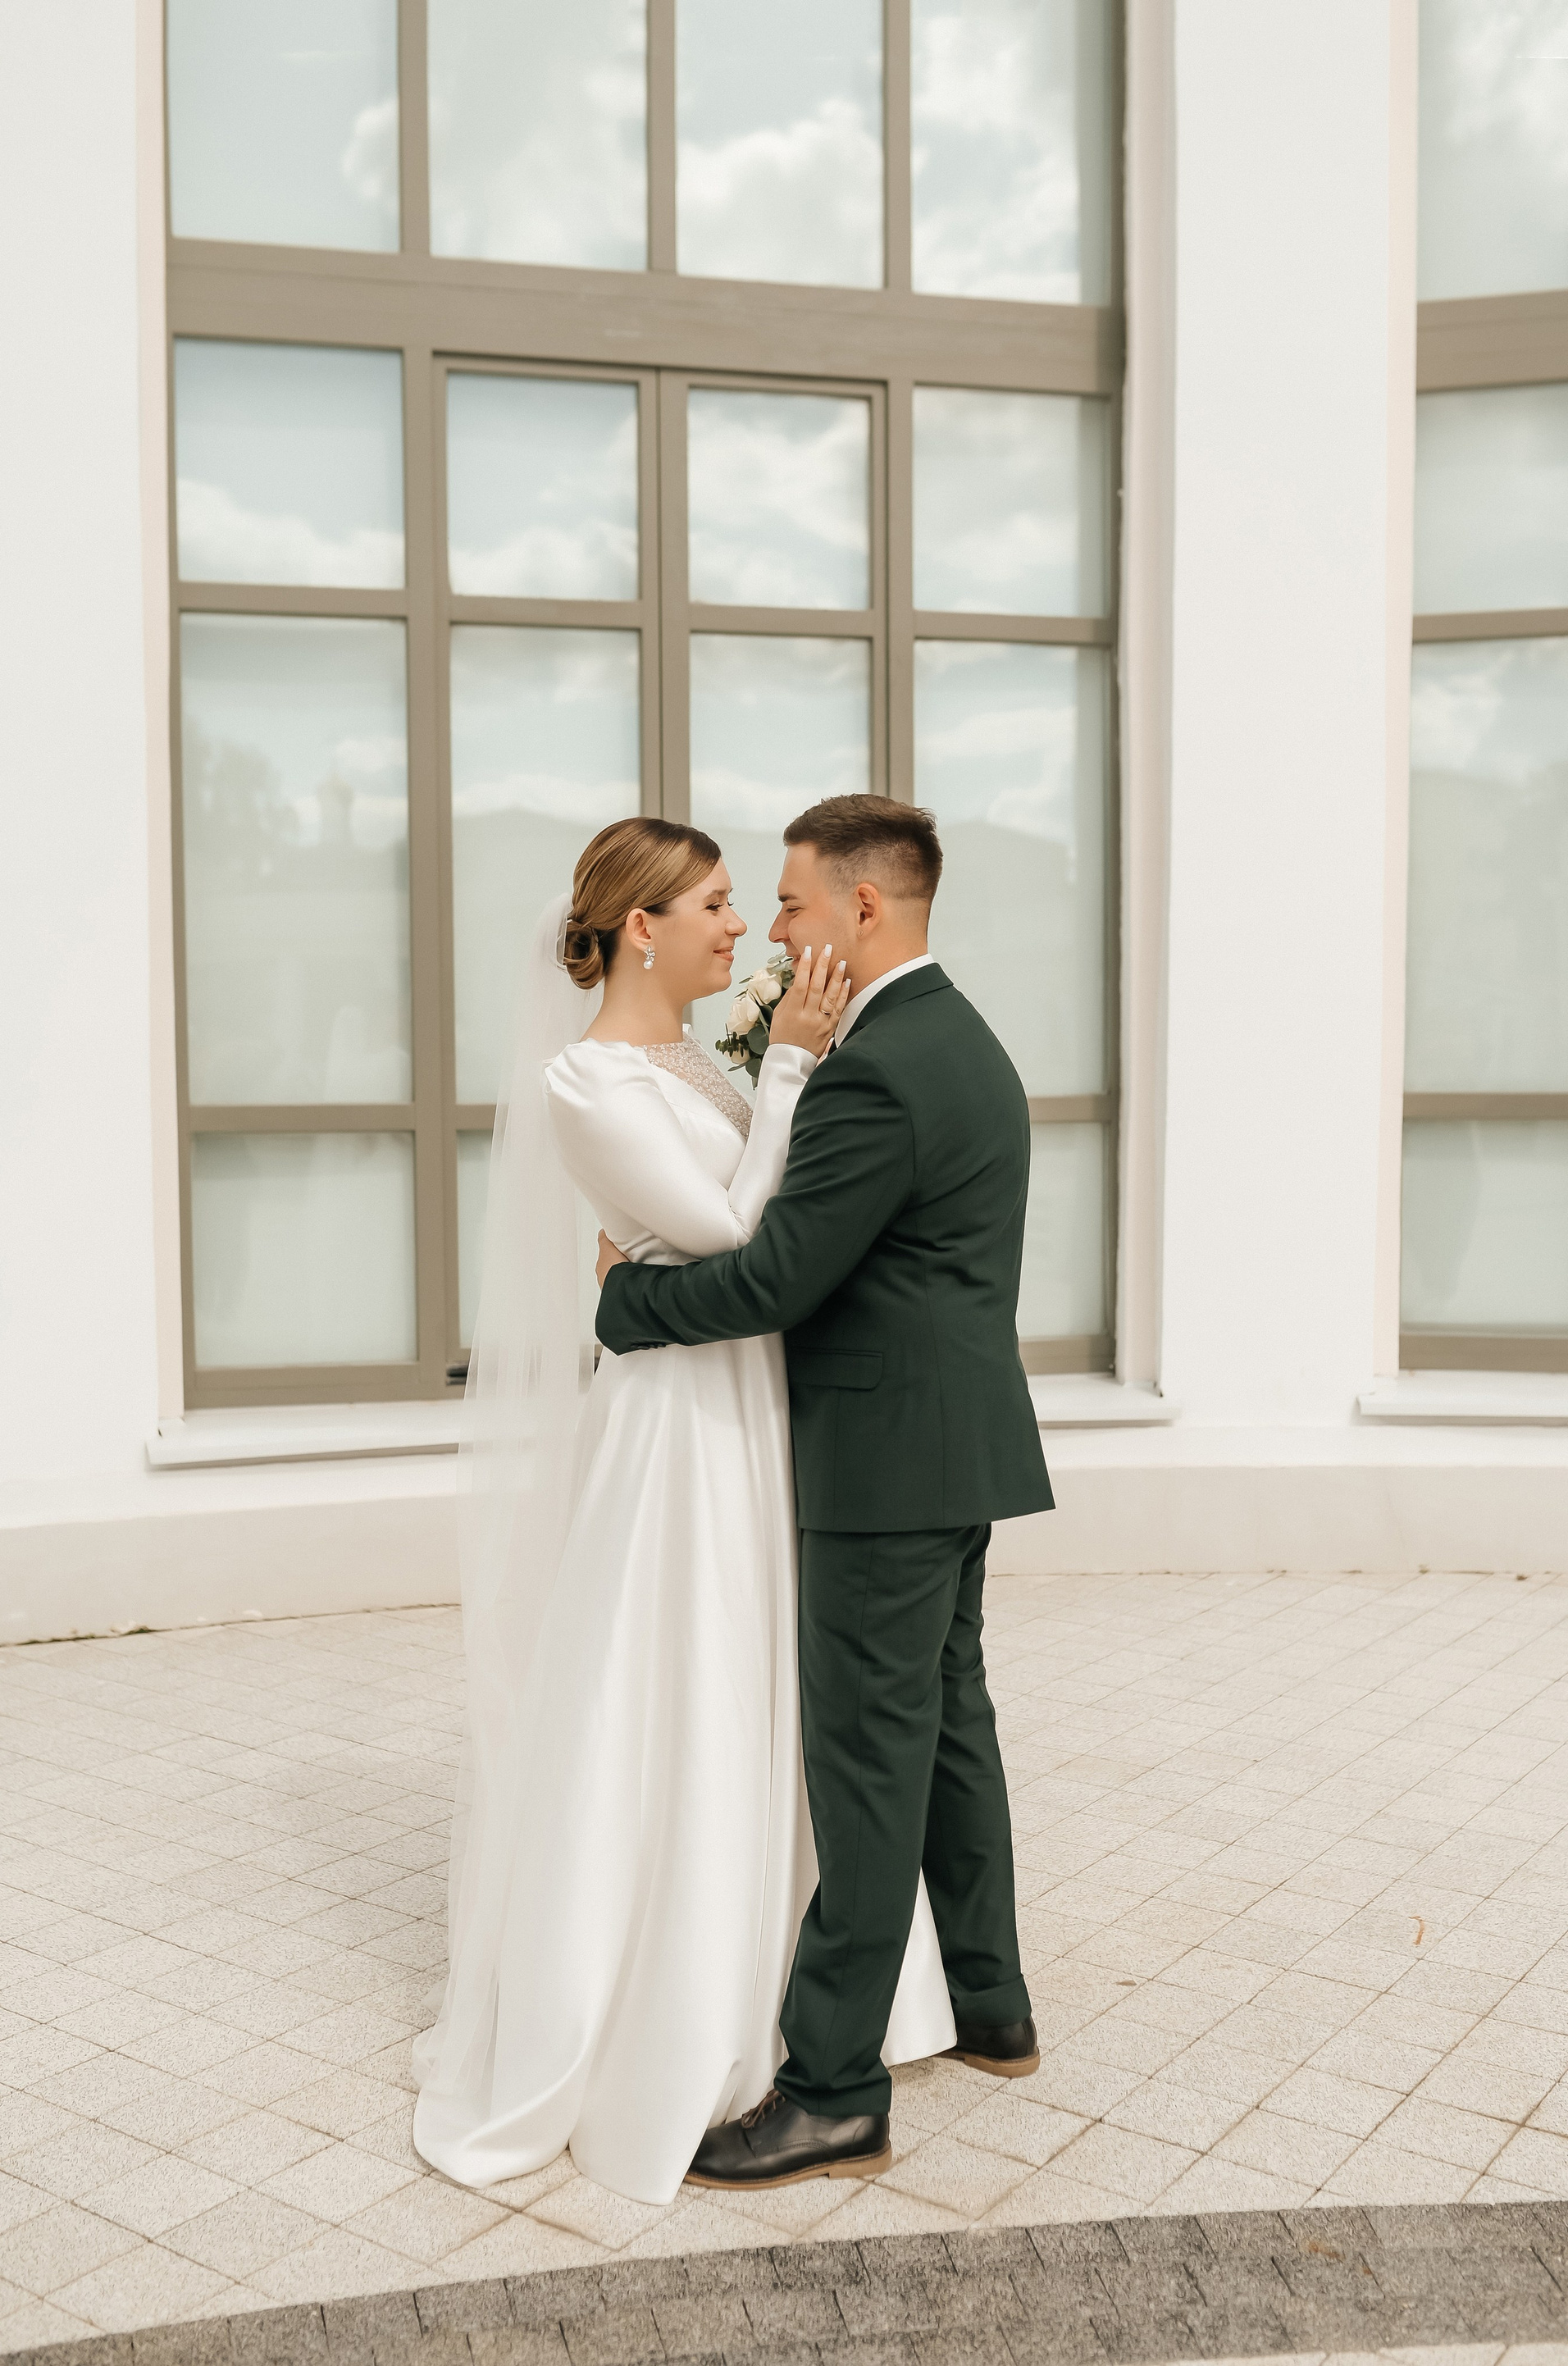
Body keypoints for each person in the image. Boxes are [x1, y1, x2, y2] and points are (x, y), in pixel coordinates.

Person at [411, 815, 958, 2207]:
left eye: (743, 901)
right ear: (641, 927)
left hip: (752, 1404)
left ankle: (786, 1984)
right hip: (676, 1431)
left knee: (771, 1678)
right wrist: (790, 1071)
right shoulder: (587, 1081)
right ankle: (660, 2001)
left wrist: (769, 1083)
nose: (742, 928)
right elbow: (735, 1236)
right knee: (686, 1678)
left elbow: (767, 1219)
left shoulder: (703, 1064)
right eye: (716, 903)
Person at [595, 793, 1055, 2190]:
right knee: (949, 1727)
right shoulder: (963, 1038)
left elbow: (779, 1276)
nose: (775, 926)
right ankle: (993, 2003)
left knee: (867, 1767)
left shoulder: (879, 1071)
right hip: (956, 1447)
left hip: (880, 1466)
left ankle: (835, 2086)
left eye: (790, 901)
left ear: (864, 905)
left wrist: (627, 1305)